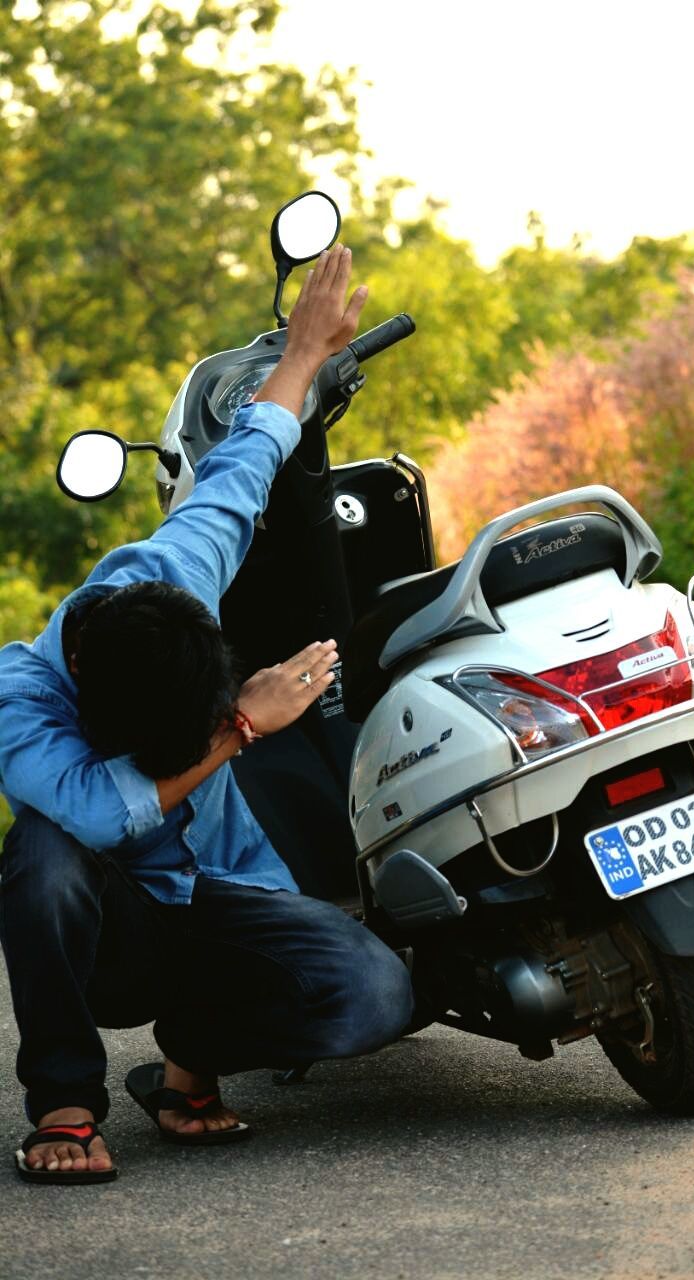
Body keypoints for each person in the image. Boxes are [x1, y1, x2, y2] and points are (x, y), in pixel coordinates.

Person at [0, 243, 414, 1185]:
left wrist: (303, 355)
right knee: (44, 857)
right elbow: (103, 816)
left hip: (222, 890)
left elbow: (243, 462)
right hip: (114, 933)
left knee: (374, 994)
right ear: (100, 719)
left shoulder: (172, 574)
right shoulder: (22, 704)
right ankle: (65, 1100)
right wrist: (240, 729)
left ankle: (187, 1061)